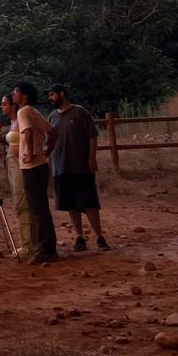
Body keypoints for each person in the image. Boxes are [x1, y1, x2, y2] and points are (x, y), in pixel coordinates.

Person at [47, 85, 109, 251]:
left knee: (89, 202)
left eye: (52, 95)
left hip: (81, 165)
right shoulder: (52, 117)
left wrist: (92, 157)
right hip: (60, 166)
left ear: (62, 94)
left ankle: (99, 236)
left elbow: (92, 136)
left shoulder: (80, 112)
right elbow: (49, 142)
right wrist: (49, 164)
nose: (50, 98)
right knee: (70, 204)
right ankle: (79, 237)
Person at [12, 81, 58, 265]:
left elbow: (28, 133)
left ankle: (45, 249)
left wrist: (29, 154)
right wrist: (48, 150)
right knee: (41, 207)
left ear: (23, 95)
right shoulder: (33, 111)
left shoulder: (23, 112)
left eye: (15, 92)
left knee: (36, 209)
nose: (13, 95)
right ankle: (47, 247)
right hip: (41, 164)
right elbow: (52, 131)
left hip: (31, 166)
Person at [0, 93, 30, 259]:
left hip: (20, 164)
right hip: (12, 162)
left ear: (13, 106)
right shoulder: (12, 121)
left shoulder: (21, 118)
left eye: (4, 104)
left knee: (21, 201)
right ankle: (25, 240)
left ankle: (28, 243)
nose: (2, 107)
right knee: (19, 201)